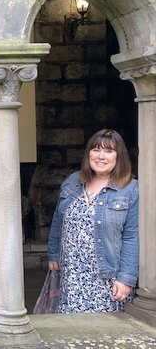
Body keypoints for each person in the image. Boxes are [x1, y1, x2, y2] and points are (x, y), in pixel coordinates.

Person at [47, 129, 138, 313]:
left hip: (106, 279)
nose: (101, 156)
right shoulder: (73, 181)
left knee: (103, 333)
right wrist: (53, 253)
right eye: (96, 150)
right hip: (71, 275)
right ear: (88, 153)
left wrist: (126, 278)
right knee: (70, 330)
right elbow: (58, 220)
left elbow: (132, 237)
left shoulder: (130, 189)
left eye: (109, 151)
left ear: (119, 156)